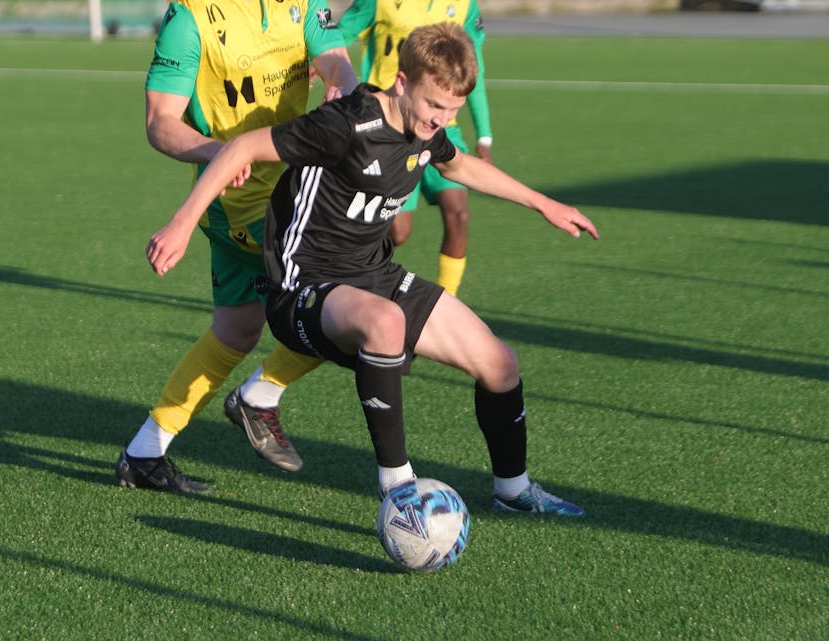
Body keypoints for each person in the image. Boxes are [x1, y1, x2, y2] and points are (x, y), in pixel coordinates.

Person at [144, 23, 598, 515]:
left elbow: (458, 165)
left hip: (374, 275)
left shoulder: (426, 130)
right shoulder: (345, 124)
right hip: (304, 284)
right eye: (434, 106)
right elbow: (242, 147)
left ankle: (514, 491)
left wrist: (544, 203)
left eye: (453, 111)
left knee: (500, 363)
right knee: (385, 322)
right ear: (402, 82)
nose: (442, 120)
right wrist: (181, 224)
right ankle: (398, 486)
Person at [115, 0, 359, 493]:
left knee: (236, 329)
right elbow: (160, 121)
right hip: (237, 204)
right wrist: (220, 153)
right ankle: (260, 395)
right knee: (350, 303)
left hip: (295, 190)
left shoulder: (303, 4)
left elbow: (338, 63)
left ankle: (143, 453)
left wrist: (340, 85)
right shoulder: (190, 17)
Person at [336, 0, 494, 297]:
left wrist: (484, 135)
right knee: (398, 232)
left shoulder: (464, 6)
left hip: (441, 129)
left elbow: (474, 71)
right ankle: (350, 277)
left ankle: (446, 302)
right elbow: (338, 37)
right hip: (389, 126)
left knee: (458, 213)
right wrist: (323, 70)